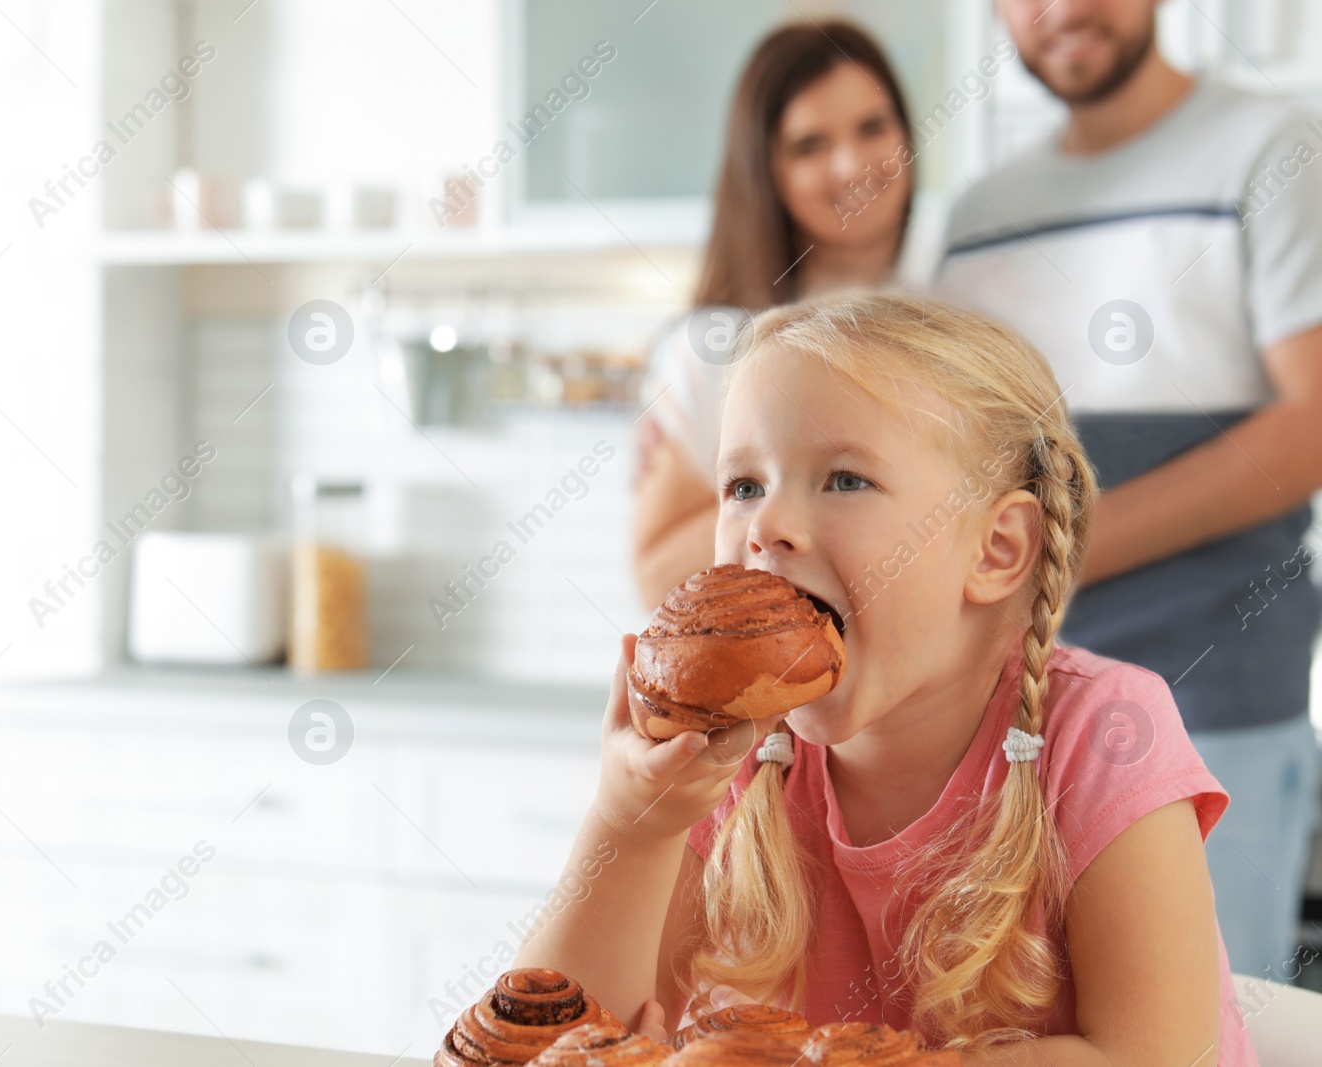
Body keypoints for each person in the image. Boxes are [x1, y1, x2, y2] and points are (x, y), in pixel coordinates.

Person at [516, 294, 1256, 1062]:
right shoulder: (739, 759)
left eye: (843, 479)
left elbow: (1151, 1054)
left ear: (996, 549)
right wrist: (633, 823)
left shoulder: (1103, 733)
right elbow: (554, 1042)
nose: (765, 525)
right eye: (742, 485)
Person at [932, 0, 1322, 984]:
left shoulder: (1269, 149)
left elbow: (1310, 423)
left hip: (1210, 697)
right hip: (1012, 720)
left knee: (1210, 1024)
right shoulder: (979, 215)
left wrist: (1067, 546)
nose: (1062, 10)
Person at [634, 20, 915, 609]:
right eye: (809, 145)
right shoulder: (711, 347)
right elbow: (656, 576)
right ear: (766, 170)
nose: (851, 165)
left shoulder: (947, 323)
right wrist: (799, 487)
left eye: (873, 128)